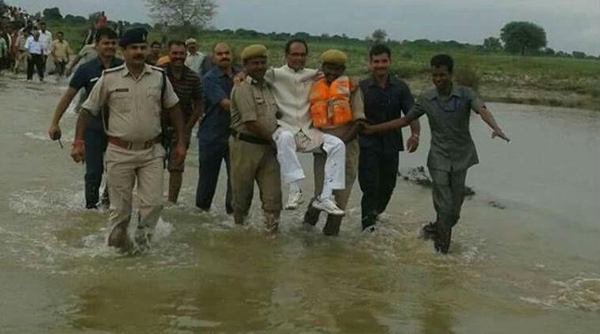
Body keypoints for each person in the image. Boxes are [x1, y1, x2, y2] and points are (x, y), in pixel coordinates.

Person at [365, 54, 510, 253]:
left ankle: (433, 229)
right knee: (444, 204)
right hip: (438, 158)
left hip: (462, 156)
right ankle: (442, 254)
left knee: (454, 212)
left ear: (451, 74)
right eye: (435, 75)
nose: (438, 79)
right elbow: (404, 120)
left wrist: (495, 127)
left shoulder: (466, 94)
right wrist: (373, 129)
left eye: (442, 75)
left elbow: (482, 109)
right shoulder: (426, 98)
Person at [71, 28, 187, 253]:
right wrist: (78, 142)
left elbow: (174, 109)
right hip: (119, 152)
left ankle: (142, 248)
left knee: (153, 205)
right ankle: (115, 252)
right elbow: (86, 112)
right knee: (121, 211)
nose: (139, 52)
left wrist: (181, 142)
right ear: (123, 51)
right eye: (134, 48)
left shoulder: (159, 77)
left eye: (142, 48)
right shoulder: (109, 79)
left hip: (152, 151)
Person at [266, 39, 346, 215]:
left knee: (338, 144)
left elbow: (336, 75)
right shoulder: (274, 74)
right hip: (286, 128)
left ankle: (325, 196)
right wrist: (241, 75)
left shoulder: (314, 75)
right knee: (284, 137)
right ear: (286, 55)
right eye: (294, 54)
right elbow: (253, 75)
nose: (299, 58)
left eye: (302, 54)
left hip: (309, 131)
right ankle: (295, 190)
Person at [48, 27, 123, 209]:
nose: (110, 47)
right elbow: (68, 96)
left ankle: (107, 205)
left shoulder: (123, 67)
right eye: (106, 43)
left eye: (113, 43)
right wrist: (54, 122)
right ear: (96, 45)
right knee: (94, 172)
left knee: (117, 173)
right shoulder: (86, 69)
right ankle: (90, 210)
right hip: (93, 128)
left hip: (119, 128)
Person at [358, 44, 421, 232]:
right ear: (370, 64)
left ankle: (374, 216)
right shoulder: (361, 88)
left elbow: (412, 113)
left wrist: (415, 134)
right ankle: (367, 228)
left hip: (392, 145)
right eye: (376, 62)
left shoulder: (400, 87)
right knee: (370, 187)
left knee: (387, 187)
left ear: (390, 62)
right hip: (366, 145)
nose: (380, 65)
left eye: (384, 61)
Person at [302, 50, 366, 235]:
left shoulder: (352, 88)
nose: (332, 72)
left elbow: (360, 122)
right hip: (321, 150)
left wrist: (338, 144)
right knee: (321, 195)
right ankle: (305, 231)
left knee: (339, 201)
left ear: (343, 69)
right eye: (328, 68)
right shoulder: (313, 85)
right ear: (323, 67)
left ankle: (330, 242)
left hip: (347, 149)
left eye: (336, 69)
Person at [229, 44, 281, 233]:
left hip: (269, 149)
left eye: (262, 62)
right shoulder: (242, 87)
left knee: (273, 198)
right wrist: (276, 140)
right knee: (242, 198)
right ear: (245, 65)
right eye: (254, 63)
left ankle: (271, 236)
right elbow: (250, 121)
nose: (260, 66)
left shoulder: (270, 87)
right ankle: (239, 235)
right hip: (245, 146)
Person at [160, 40, 203, 204]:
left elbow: (199, 107)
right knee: (154, 166)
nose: (178, 57)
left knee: (177, 167)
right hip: (158, 127)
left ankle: (172, 203)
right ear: (168, 54)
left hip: (183, 126)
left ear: (186, 55)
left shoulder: (194, 77)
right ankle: (154, 201)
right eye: (175, 53)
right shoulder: (159, 74)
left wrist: (185, 130)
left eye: (181, 54)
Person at [195, 42, 236, 214]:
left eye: (227, 53)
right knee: (207, 182)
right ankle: (201, 218)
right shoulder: (209, 79)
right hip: (211, 136)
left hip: (235, 135)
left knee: (236, 181)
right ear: (213, 57)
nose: (224, 56)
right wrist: (250, 107)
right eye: (219, 54)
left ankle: (234, 219)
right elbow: (226, 104)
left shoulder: (240, 75)